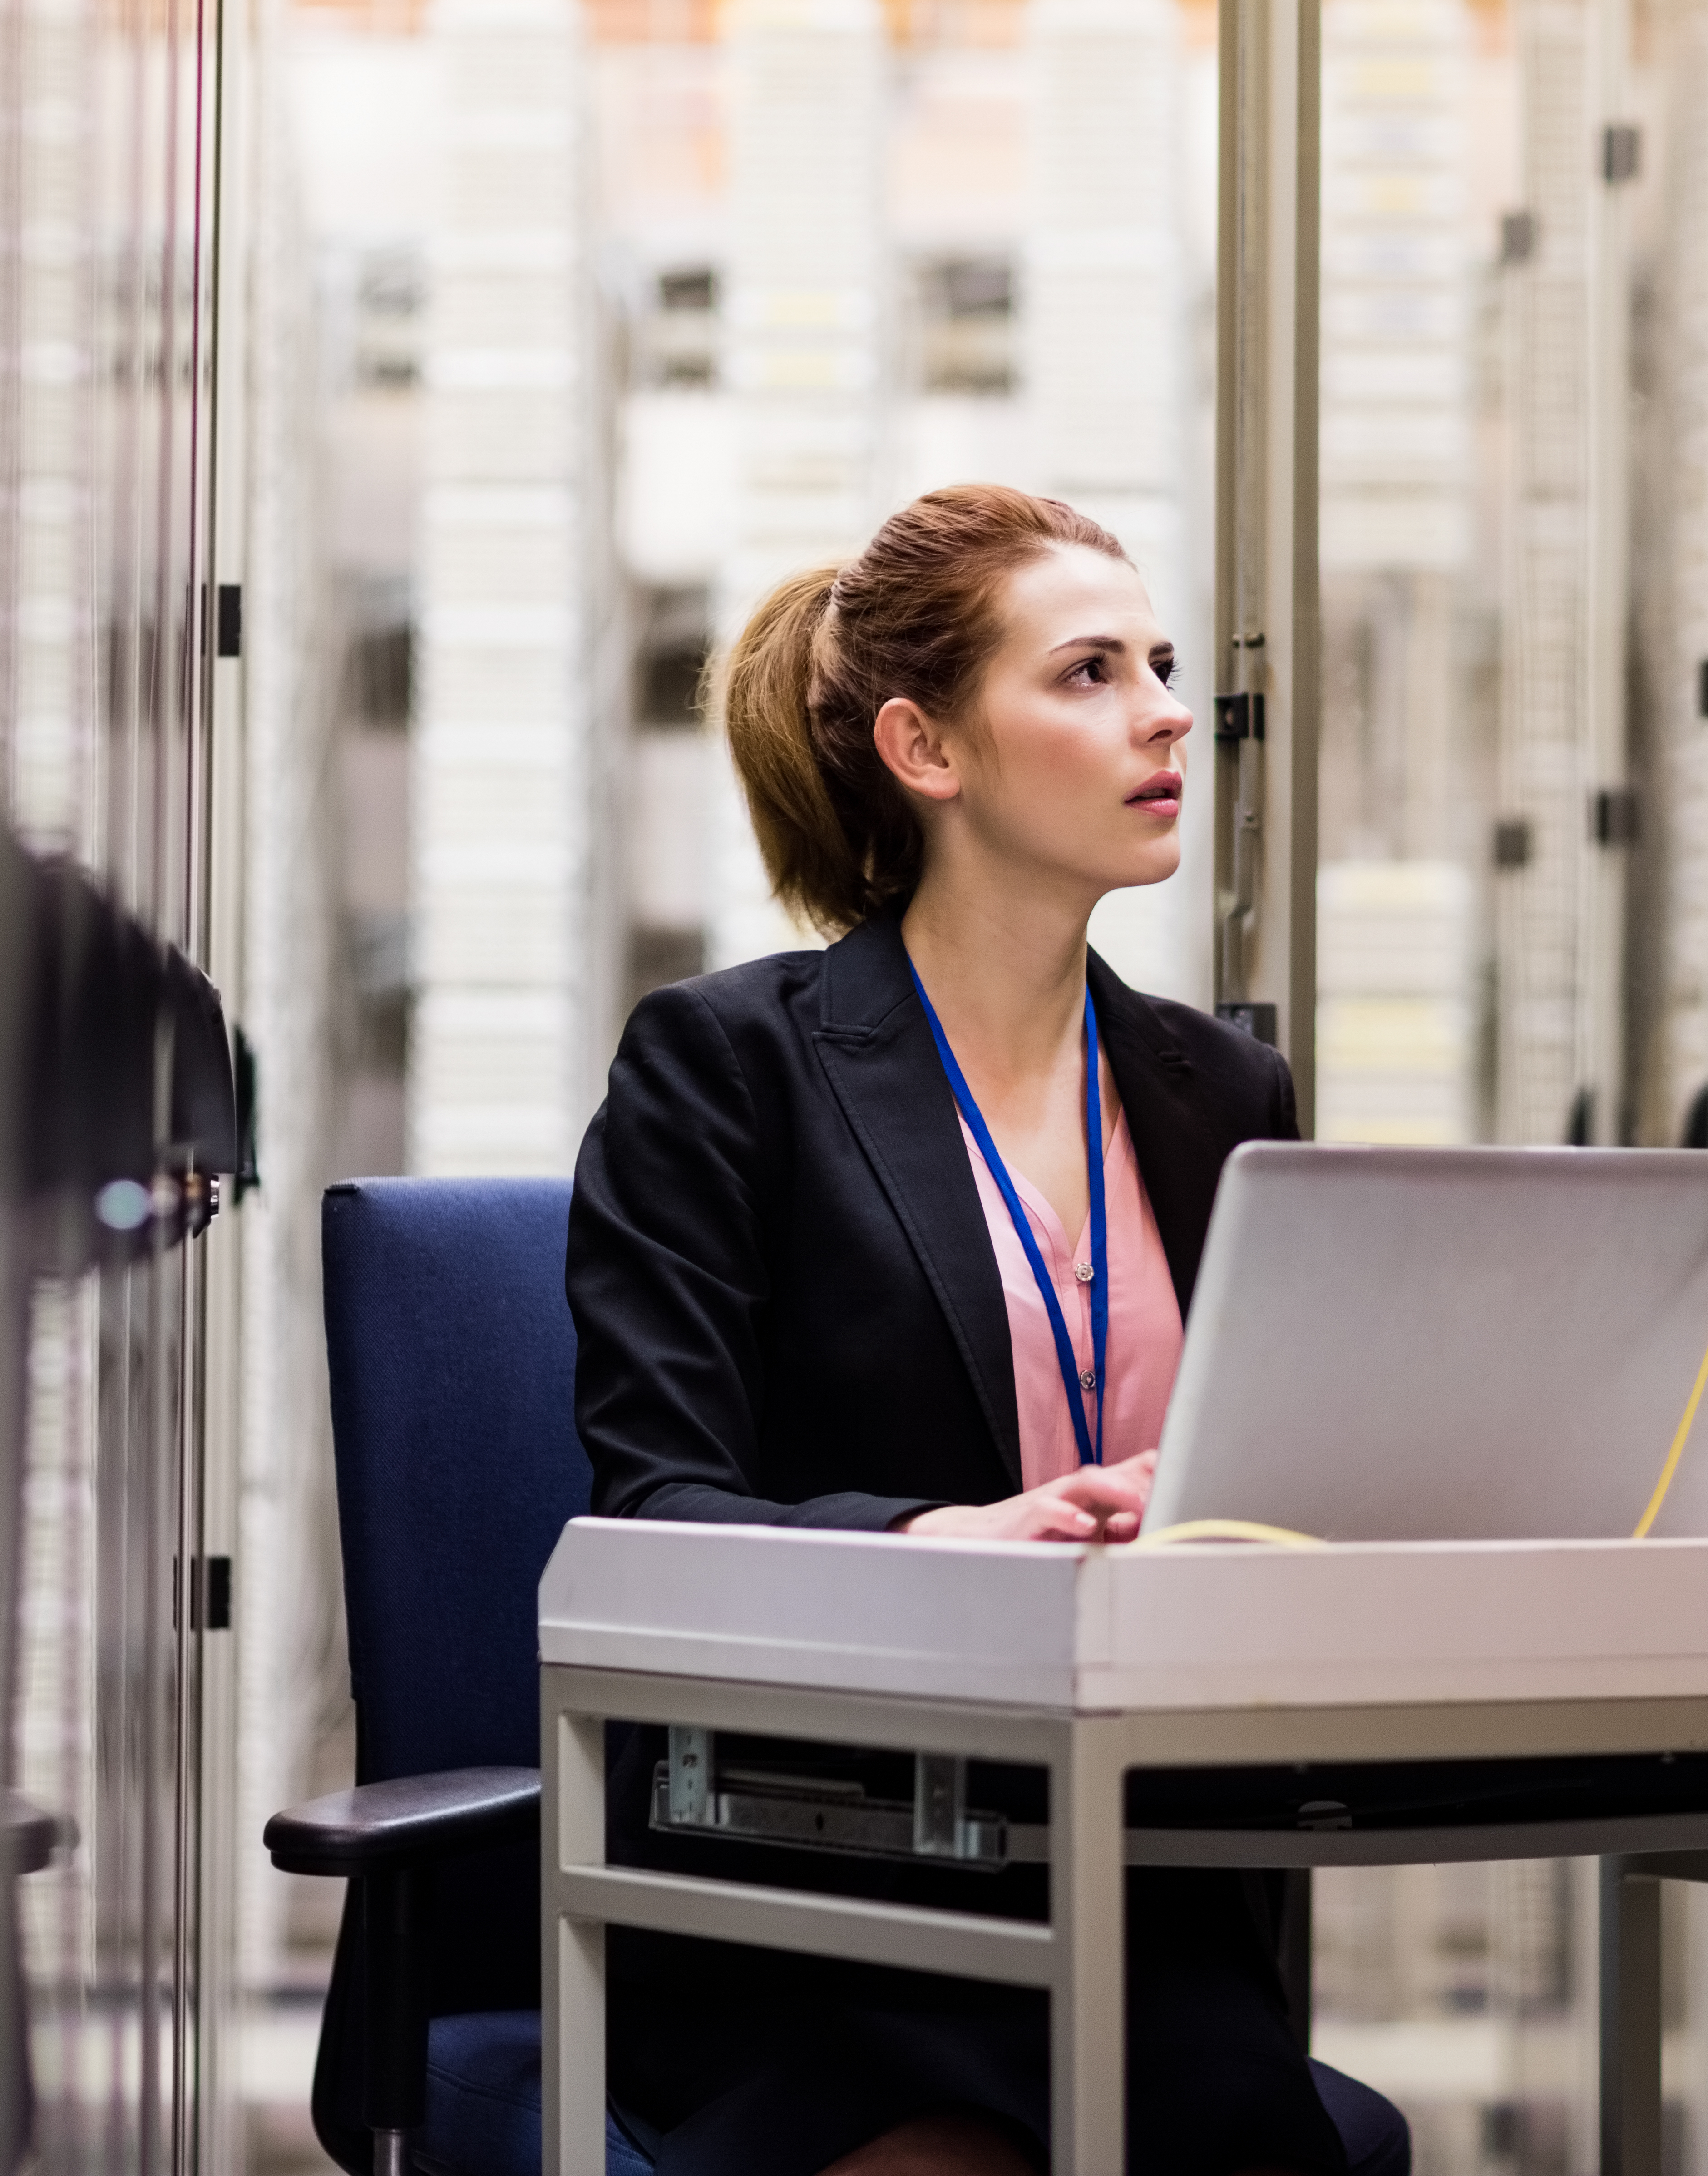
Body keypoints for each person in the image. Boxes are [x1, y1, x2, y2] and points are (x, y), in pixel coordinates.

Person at [568, 486, 1400, 2176]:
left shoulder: (1220, 1090)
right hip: (817, 1887)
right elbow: (649, 1509)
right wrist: (946, 1538)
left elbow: (1277, 1462)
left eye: (1159, 666)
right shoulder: (728, 1067)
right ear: (923, 749)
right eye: (1088, 672)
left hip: (1135, 1874)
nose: (1167, 712)